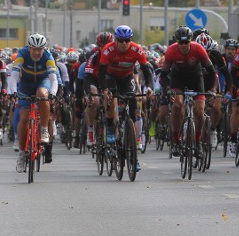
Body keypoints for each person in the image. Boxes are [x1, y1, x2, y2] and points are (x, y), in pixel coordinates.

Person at [98, 25, 155, 172]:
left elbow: (146, 71)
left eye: (127, 40)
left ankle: (133, 156)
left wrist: (149, 87)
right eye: (121, 40)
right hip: (111, 77)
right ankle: (111, 129)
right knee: (111, 101)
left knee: (133, 105)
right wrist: (105, 89)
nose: (124, 43)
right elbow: (102, 73)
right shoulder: (108, 50)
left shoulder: (137, 50)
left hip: (126, 77)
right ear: (116, 40)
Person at [160, 26, 215, 157]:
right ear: (176, 42)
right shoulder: (171, 51)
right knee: (177, 105)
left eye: (186, 42)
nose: (184, 45)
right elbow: (163, 75)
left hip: (196, 78)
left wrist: (212, 89)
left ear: (191, 41)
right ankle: (176, 141)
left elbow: (212, 71)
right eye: (181, 43)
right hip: (177, 78)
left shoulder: (199, 49)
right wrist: (167, 89)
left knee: (199, 111)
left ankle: (197, 142)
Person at [11, 33, 58, 172]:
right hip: (25, 84)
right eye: (34, 49)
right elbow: (13, 76)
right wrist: (13, 92)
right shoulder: (22, 54)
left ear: (44, 48)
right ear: (29, 48)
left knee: (42, 94)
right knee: (24, 118)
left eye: (40, 49)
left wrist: (53, 94)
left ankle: (44, 130)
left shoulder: (48, 57)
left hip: (42, 82)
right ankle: (21, 152)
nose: (37, 52)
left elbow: (54, 79)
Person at [82, 31, 114, 152]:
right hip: (94, 79)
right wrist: (89, 93)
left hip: (109, 79)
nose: (105, 48)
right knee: (94, 101)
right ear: (97, 45)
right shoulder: (94, 54)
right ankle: (90, 129)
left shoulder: (115, 52)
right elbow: (87, 75)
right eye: (101, 46)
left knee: (112, 99)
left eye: (108, 45)